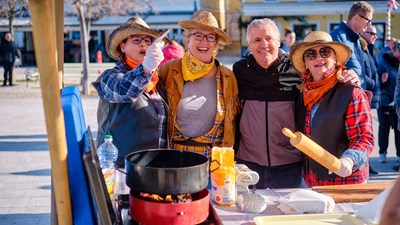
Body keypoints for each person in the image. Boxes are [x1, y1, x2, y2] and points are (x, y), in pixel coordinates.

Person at [233, 18, 360, 189]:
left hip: (290, 166)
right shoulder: (240, 71)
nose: (264, 44)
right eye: (257, 40)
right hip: (248, 164)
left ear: (279, 42)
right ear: (248, 44)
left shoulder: (297, 71)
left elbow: (324, 77)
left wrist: (348, 76)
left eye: (269, 39)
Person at [289, 31, 374, 187]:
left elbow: (363, 137)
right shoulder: (302, 92)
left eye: (325, 52)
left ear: (335, 58)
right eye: (310, 54)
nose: (319, 58)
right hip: (311, 180)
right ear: (305, 63)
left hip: (346, 182)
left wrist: (348, 160)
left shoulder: (351, 92)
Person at [158, 10, 240, 158]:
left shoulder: (228, 76)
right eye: (198, 35)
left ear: (216, 43)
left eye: (210, 37)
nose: (204, 42)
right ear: (187, 39)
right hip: (173, 158)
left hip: (214, 162)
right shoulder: (168, 70)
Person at [92, 17, 167, 167]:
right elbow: (125, 91)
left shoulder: (157, 80)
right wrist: (146, 67)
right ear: (123, 47)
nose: (144, 44)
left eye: (148, 40)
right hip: (121, 166)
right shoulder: (110, 76)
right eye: (137, 40)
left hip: (153, 165)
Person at [330, 1, 374, 87]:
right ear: (357, 17)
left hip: (357, 97)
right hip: (345, 97)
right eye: (368, 20)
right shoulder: (337, 37)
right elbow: (331, 73)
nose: (369, 24)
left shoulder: (356, 39)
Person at [380, 42, 400, 164]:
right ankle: (382, 152)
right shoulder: (384, 62)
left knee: (398, 130)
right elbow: (378, 80)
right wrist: (382, 81)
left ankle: (399, 155)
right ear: (394, 51)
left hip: (396, 101)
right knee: (384, 128)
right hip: (386, 100)